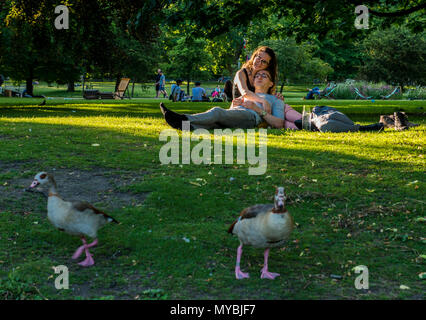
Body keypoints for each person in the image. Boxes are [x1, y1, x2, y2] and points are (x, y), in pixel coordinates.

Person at [160, 69, 301, 130]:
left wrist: (257, 109)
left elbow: (279, 124)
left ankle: (183, 118)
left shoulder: (275, 99)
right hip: (239, 115)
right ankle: (185, 126)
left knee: (216, 112)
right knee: (214, 123)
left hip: (251, 117)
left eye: (264, 75)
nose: (259, 76)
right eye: (257, 75)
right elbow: (231, 113)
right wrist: (234, 105)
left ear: (271, 84)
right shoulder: (248, 94)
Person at [233, 46, 284, 115]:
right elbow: (245, 93)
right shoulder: (241, 73)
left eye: (264, 61)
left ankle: (300, 120)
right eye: (259, 57)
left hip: (258, 111)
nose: (259, 63)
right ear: (254, 56)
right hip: (240, 109)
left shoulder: (262, 78)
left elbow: (267, 95)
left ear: (268, 66)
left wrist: (277, 97)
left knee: (285, 111)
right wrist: (263, 101)